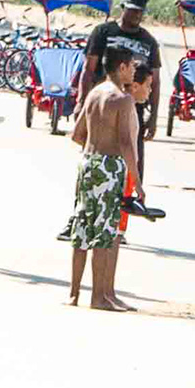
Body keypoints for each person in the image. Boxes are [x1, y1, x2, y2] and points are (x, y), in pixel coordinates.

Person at [62, 37, 144, 314]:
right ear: (122, 67)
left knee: (82, 227)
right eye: (132, 66)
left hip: (87, 162)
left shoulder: (95, 93)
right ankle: (99, 296)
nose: (134, 71)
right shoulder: (122, 99)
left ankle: (74, 293)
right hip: (109, 166)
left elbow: (77, 134)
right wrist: (137, 181)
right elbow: (125, 142)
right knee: (105, 233)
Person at [78, 0, 161, 170]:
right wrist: (81, 102)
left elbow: (155, 82)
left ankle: (132, 186)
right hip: (104, 105)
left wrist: (154, 116)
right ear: (123, 8)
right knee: (98, 156)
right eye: (133, 10)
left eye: (140, 11)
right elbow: (88, 70)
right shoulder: (103, 32)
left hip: (134, 109)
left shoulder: (149, 41)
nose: (137, 15)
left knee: (132, 159)